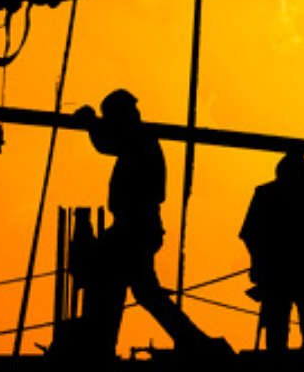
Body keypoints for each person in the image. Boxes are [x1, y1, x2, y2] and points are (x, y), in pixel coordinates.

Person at [73, 89, 226, 357]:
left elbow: (109, 144)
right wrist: (94, 125)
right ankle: (193, 341)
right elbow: (112, 143)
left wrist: (91, 125)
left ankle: (103, 346)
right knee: (138, 289)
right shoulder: (140, 139)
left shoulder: (139, 139)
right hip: (136, 226)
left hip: (135, 227)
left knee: (116, 281)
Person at [241, 153, 304, 357]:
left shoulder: (265, 194)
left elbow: (250, 235)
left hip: (282, 274)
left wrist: (260, 262)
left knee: (281, 331)